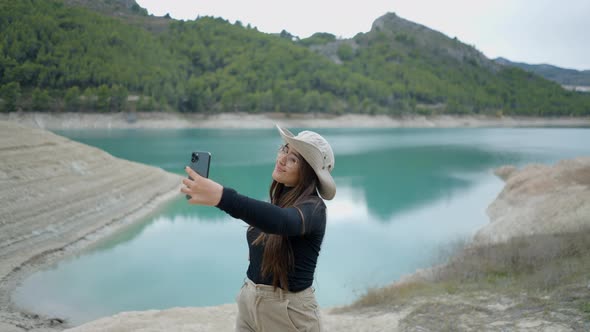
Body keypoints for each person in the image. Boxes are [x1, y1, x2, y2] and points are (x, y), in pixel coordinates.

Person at [180, 124, 336, 332]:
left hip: (289, 313)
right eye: (284, 150)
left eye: (293, 159)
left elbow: (283, 222)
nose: (282, 159)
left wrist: (223, 197)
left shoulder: (314, 208)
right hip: (250, 301)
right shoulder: (279, 201)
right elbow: (269, 221)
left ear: (308, 173)